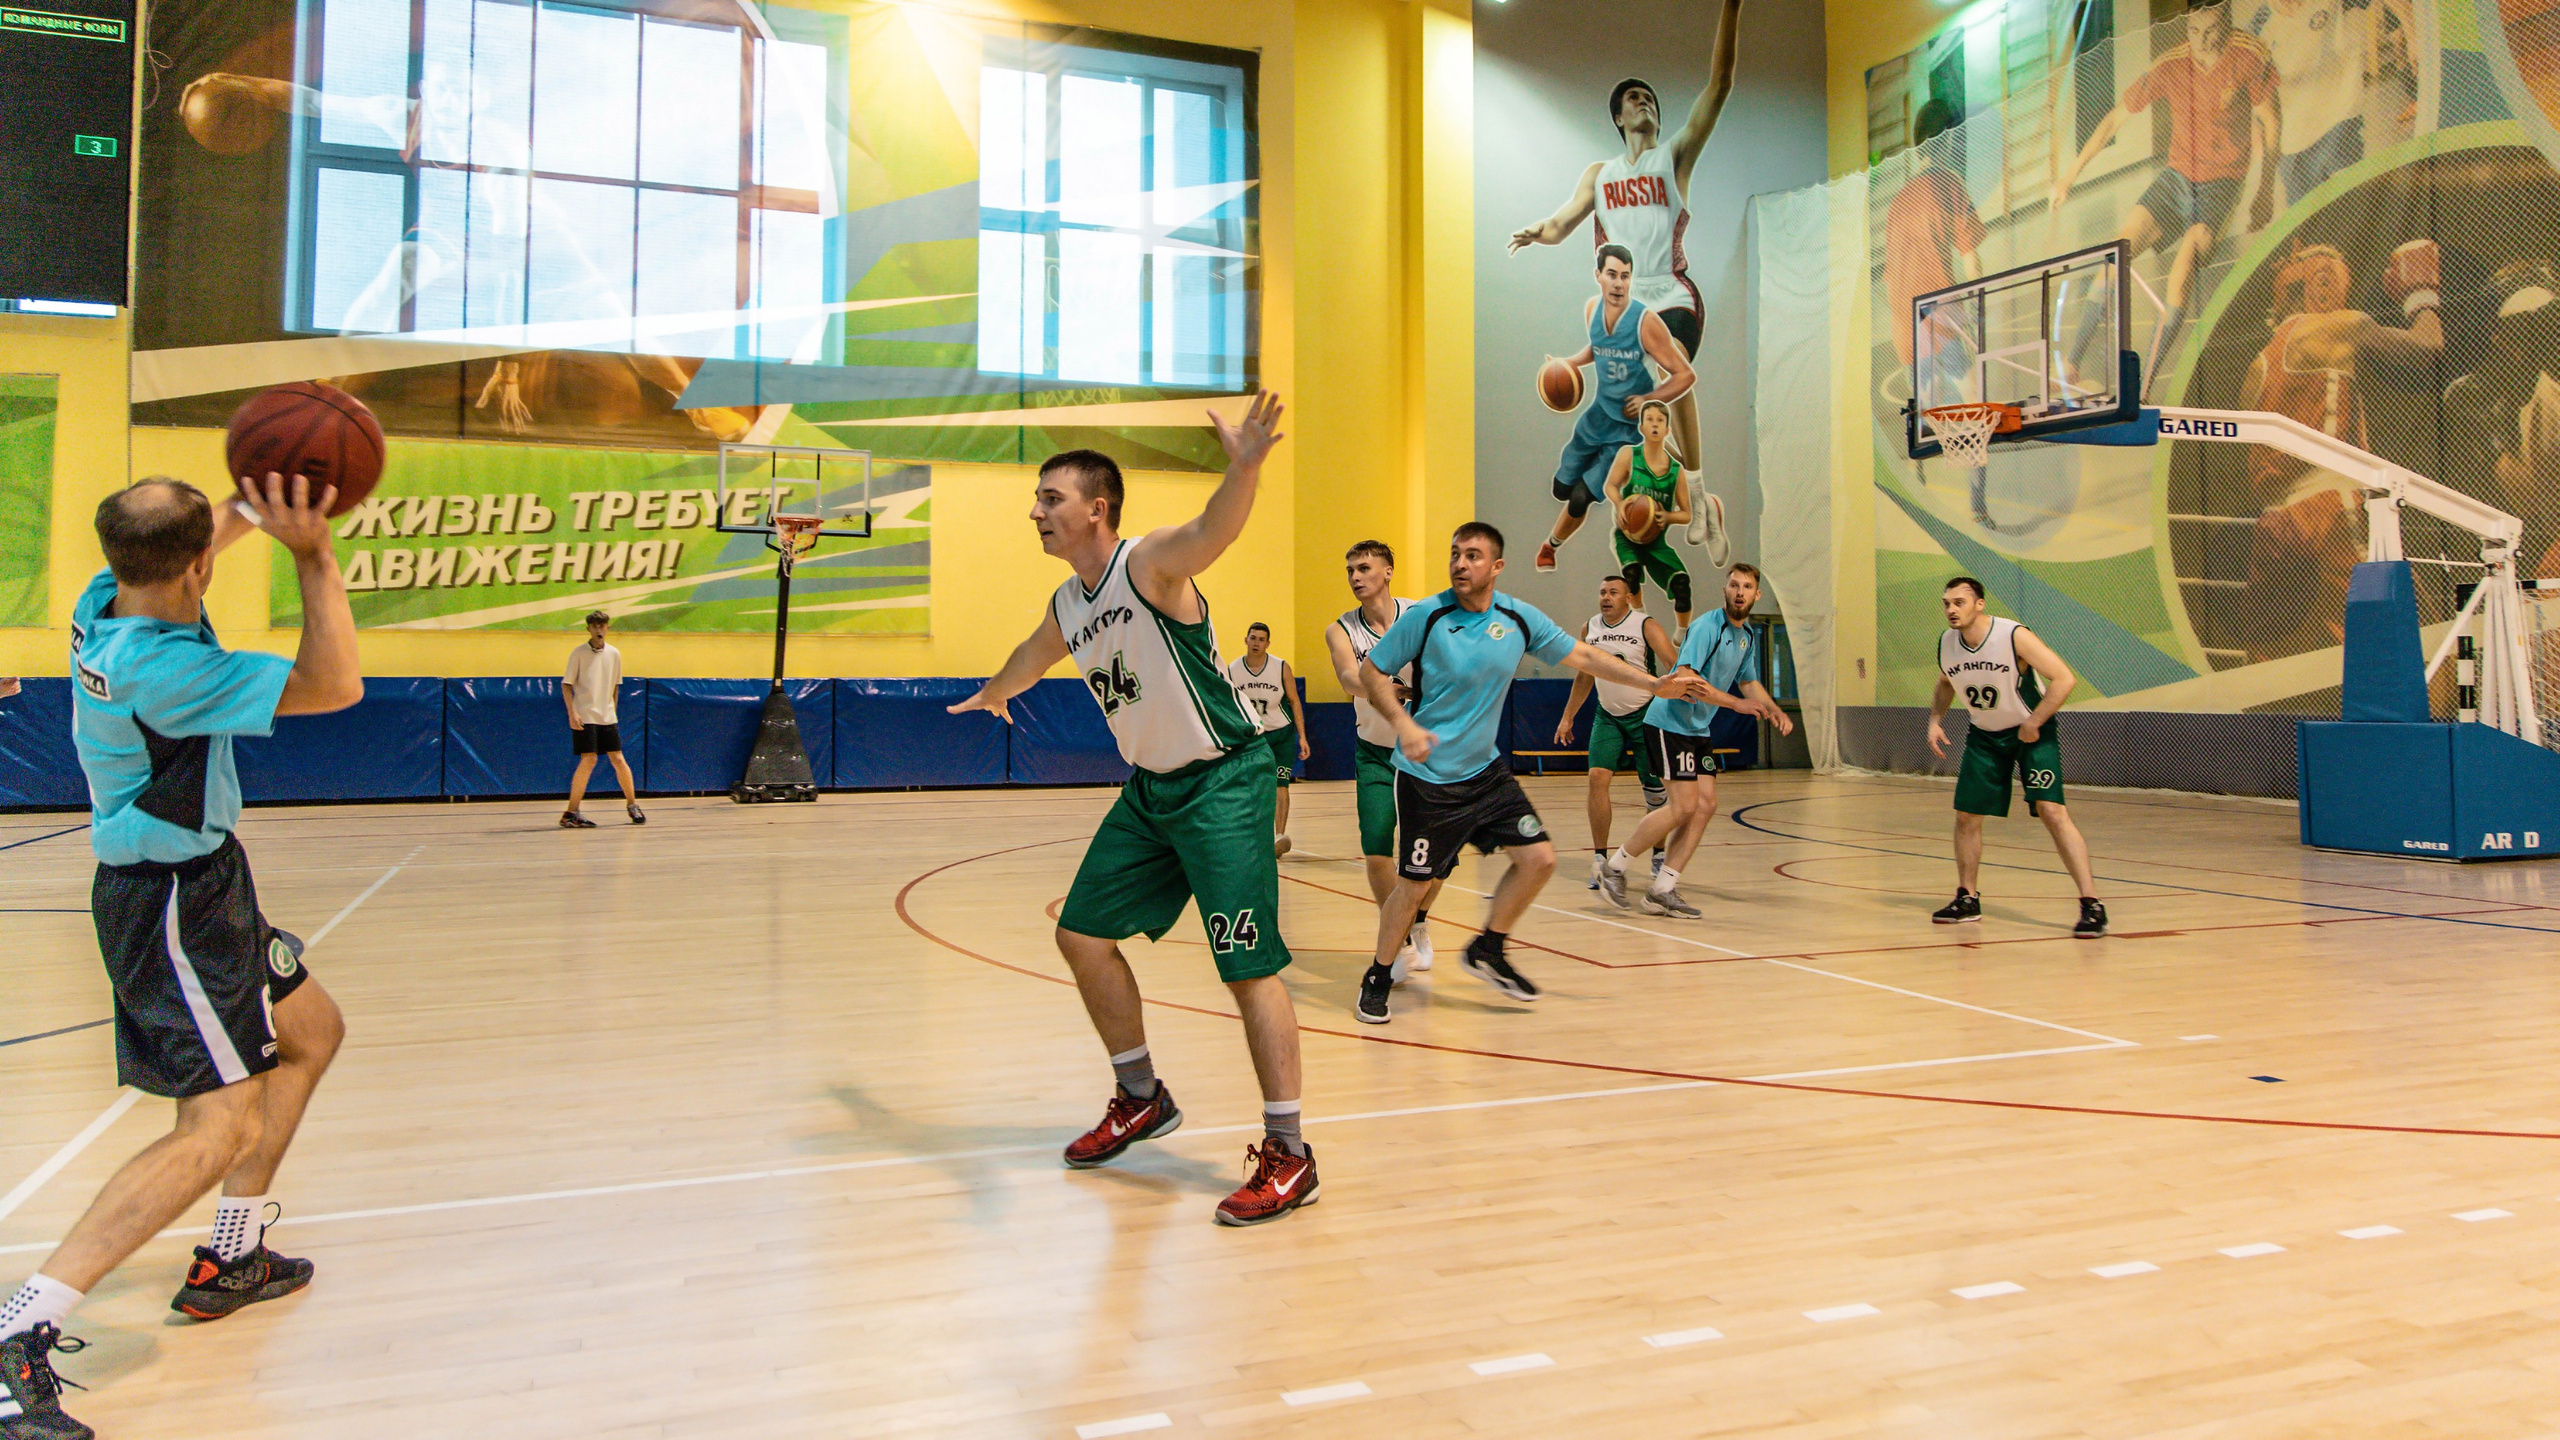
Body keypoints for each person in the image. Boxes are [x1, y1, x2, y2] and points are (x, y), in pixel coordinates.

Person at [0, 475, 359, 1440]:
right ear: (197, 565)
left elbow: (180, 552)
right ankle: (20, 1330)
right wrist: (314, 555)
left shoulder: (102, 603)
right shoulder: (161, 665)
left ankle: (229, 1258)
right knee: (211, 1131)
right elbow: (335, 686)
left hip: (205, 880)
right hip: (172, 904)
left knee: (311, 1031)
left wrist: (242, 512)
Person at [949, 395, 1317, 1226]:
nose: (1036, 510)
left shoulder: (1148, 564)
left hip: (1224, 782)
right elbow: (1033, 653)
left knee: (1249, 969)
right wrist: (996, 691)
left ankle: (1291, 1154)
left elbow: (1212, 531)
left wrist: (1246, 466)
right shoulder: (1069, 603)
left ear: (1097, 509)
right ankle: (1140, 1094)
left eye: (1051, 498)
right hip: (1151, 792)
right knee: (1080, 933)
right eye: (1038, 499)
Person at [1349, 521, 1712, 1025]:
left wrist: (1656, 682)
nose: (1460, 563)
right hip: (1426, 777)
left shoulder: (1517, 618)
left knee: (1539, 859)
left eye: (1473, 555)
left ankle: (1489, 947)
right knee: (1413, 886)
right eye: (1455, 553)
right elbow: (1372, 671)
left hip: (1485, 773)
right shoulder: (1427, 616)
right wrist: (1402, 723)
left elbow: (1584, 655)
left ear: (1496, 567)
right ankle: (1378, 974)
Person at [1507, 0, 1744, 512]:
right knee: (1636, 409)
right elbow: (1562, 221)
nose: (1646, 104)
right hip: (1627, 308)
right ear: (1619, 116)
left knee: (1669, 375)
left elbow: (1719, 84)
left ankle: (1697, 489)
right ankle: (1688, 488)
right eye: (1635, 99)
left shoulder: (1673, 156)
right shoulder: (1601, 173)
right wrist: (1538, 233)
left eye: (1651, 99)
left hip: (1673, 291)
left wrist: (1731, 7)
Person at [2237, 239, 2442, 661]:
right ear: (2323, 284)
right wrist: (2420, 295)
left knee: (2274, 661)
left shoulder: (2255, 368)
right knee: (2408, 639)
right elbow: (2427, 348)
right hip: (2330, 511)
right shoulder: (2331, 326)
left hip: (2275, 526)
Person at [2056, 0, 2280, 378]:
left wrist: (2266, 190)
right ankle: (2072, 361)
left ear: (2227, 20)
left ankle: (2146, 382)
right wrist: (2069, 176)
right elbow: (2114, 121)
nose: (2202, 41)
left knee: (2186, 261)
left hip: (2222, 183)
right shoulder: (2171, 64)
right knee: (2118, 248)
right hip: (2176, 177)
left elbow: (2271, 122)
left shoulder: (2248, 54)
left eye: (2211, 31)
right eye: (2194, 31)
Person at [1598, 564, 1794, 918]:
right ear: (1725, 588)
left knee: (1705, 806)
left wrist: (1773, 708)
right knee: (1682, 807)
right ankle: (1614, 868)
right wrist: (1736, 704)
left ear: (1756, 595)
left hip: (1697, 730)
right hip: (1668, 723)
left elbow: (1749, 683)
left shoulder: (1746, 635)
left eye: (1747, 586)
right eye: (1734, 584)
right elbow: (1687, 678)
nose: (1739, 591)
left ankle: (1663, 889)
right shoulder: (1708, 626)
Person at [1926, 577, 2107, 938]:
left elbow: (2064, 679)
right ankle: (1967, 898)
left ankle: (2092, 905)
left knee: (2052, 812)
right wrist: (1935, 720)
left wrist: (2035, 721)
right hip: (1984, 736)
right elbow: (1946, 682)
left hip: (2031, 734)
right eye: (1946, 603)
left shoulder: (2012, 636)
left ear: (1979, 604)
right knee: (1966, 815)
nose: (1950, 609)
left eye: (1959, 602)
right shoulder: (1948, 643)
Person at [1534, 246, 1696, 573]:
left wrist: (1652, 399)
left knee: (1579, 497)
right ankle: (1674, 457)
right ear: (1598, 276)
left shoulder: (1645, 323)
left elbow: (1685, 375)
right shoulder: (1592, 308)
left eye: (1625, 276)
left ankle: (1549, 547)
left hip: (1625, 432)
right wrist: (1569, 363)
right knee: (1560, 488)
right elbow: (1598, 347)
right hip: (1597, 417)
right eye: (1612, 275)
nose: (1619, 283)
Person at [1322, 540, 1440, 977]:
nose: (1355, 576)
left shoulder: (1421, 616)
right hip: (1373, 752)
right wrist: (1382, 687)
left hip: (1423, 751)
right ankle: (1402, 933)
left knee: (1435, 860)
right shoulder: (1341, 629)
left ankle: (1418, 920)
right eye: (1350, 569)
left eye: (1364, 568)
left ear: (1388, 572)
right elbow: (1349, 677)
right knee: (1376, 851)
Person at [1885, 98, 1992, 529]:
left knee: (1924, 410)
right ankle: (1978, 505)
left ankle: (1919, 482)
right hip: (1941, 316)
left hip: (1904, 323)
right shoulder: (1949, 183)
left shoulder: (1897, 201)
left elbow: (1891, 277)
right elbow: (1971, 260)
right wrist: (1979, 312)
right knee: (1975, 405)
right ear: (1948, 138)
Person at [1554, 574, 1678, 890]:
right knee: (1597, 777)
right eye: (1602, 592)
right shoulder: (1590, 628)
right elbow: (1584, 676)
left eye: (1613, 592)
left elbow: (1672, 663)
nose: (1606, 597)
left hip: (1646, 715)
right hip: (1607, 715)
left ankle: (1659, 853)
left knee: (1654, 791)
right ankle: (1599, 858)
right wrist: (1568, 716)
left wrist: (1681, 705)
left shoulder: (1645, 624)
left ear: (1628, 597)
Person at [1604, 400, 1697, 629]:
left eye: (1660, 421)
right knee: (1632, 575)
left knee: (1682, 586)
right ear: (1642, 427)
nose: (1655, 425)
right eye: (1650, 420)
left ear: (1667, 430)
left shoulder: (1676, 471)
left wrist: (1668, 517)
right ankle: (1640, 615)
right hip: (1628, 536)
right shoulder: (1629, 455)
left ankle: (1682, 634)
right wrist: (1620, 504)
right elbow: (1611, 486)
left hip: (1656, 542)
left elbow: (1686, 514)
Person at [1226, 622, 1309, 857]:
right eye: (1253, 638)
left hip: (1281, 733)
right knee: (1250, 785)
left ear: (1267, 643)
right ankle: (1248, 833)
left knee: (1280, 784)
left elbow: (1294, 701)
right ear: (1246, 640)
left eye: (1261, 639)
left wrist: (1302, 737)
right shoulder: (1232, 670)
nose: (1256, 643)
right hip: (1252, 736)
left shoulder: (1281, 667)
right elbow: (1228, 705)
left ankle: (1278, 836)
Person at [561, 610, 643, 828]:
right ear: (588, 628)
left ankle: (633, 805)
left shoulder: (614, 654)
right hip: (585, 716)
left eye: (602, 625)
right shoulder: (578, 653)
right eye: (594, 625)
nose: (599, 629)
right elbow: (566, 685)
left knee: (618, 758)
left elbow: (616, 686)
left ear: (607, 627)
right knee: (589, 759)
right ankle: (571, 812)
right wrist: (572, 713)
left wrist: (612, 711)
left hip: (607, 716)